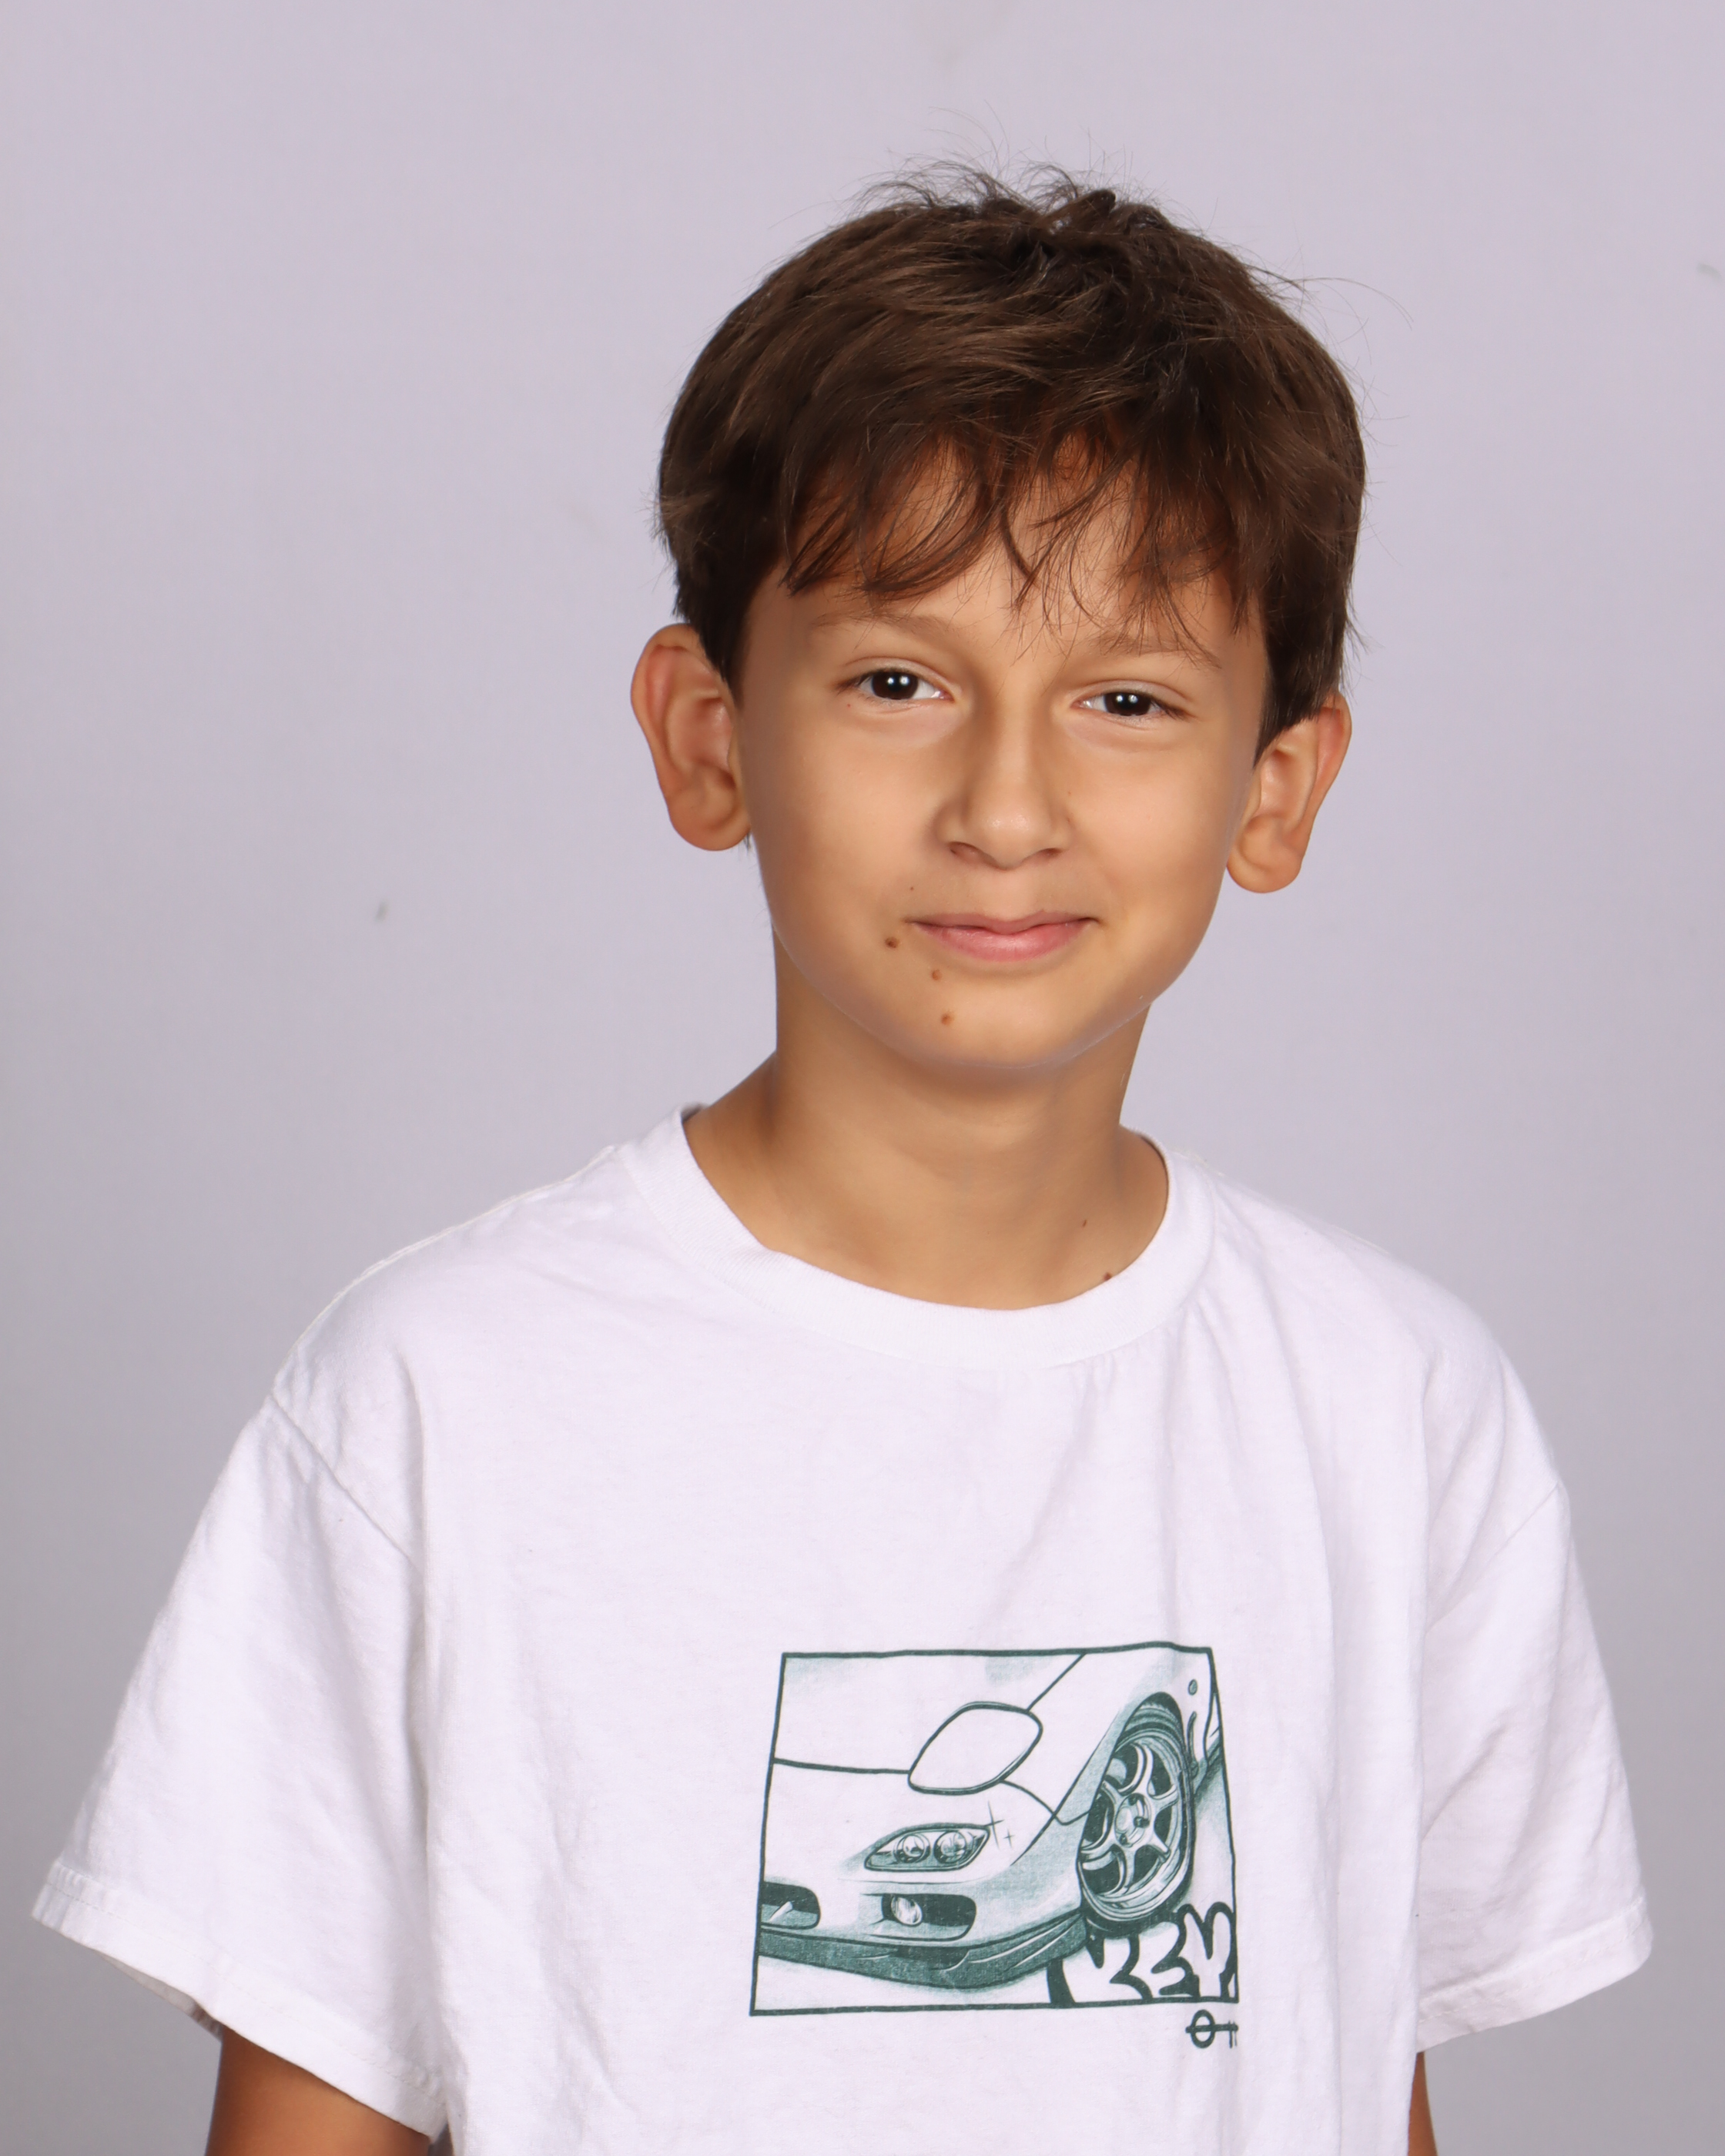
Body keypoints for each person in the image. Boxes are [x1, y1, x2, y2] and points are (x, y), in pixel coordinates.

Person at [35, 171, 1648, 2156]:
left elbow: (1340, 2066)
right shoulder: (437, 1406)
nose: (1006, 806)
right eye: (899, 682)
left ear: (1278, 787)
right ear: (708, 736)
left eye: (1126, 699)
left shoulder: (1397, 1413)